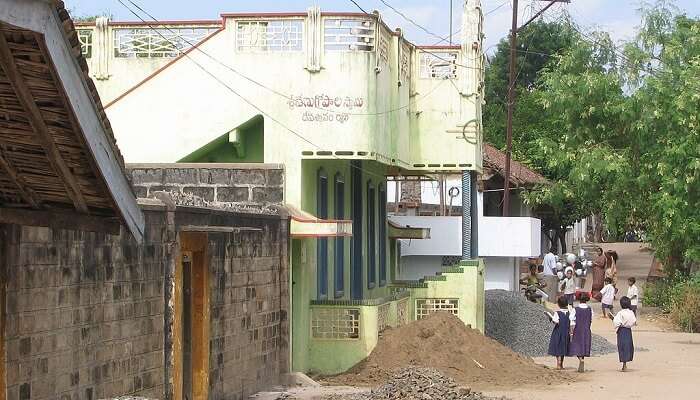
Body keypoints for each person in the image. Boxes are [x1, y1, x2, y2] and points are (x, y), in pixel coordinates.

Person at [608, 296, 637, 371]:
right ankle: (626, 363)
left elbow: (617, 322)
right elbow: (634, 321)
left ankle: (624, 365)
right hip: (628, 331)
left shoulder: (620, 313)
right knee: (628, 346)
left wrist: (612, 318)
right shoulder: (631, 312)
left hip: (622, 331)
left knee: (622, 346)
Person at [568, 292, 593, 372]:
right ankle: (582, 359)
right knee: (584, 345)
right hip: (587, 329)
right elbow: (591, 319)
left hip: (578, 329)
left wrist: (571, 331)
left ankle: (580, 360)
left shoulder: (575, 309)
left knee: (576, 345)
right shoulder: (590, 309)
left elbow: (571, 320)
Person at [546, 296, 571, 370]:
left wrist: (550, 317)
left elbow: (556, 322)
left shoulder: (557, 313)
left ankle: (558, 363)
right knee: (563, 347)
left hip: (558, 332)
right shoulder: (569, 313)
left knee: (557, 347)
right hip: (566, 332)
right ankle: (562, 364)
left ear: (558, 304)